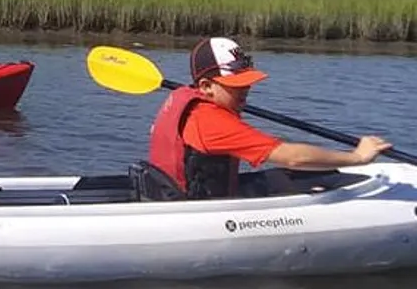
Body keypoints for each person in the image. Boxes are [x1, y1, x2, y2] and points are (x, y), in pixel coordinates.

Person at [148, 36, 392, 199]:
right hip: (203, 210)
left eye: (246, 83)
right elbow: (293, 158)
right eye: (235, 85)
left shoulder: (187, 99)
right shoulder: (210, 122)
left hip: (184, 194)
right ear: (205, 86)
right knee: (297, 172)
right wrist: (358, 157)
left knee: (299, 178)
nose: (246, 90)